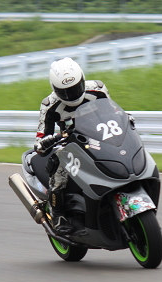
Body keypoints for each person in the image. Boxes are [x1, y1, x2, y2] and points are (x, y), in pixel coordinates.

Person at [34, 57, 112, 236]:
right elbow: (40, 139)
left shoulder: (98, 89)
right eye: (65, 92)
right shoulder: (49, 105)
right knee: (58, 165)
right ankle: (58, 214)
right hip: (71, 145)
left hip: (100, 137)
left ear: (82, 79)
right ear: (55, 90)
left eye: (76, 88)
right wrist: (46, 142)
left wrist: (125, 117)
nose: (72, 94)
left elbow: (112, 113)